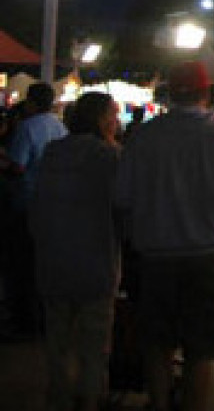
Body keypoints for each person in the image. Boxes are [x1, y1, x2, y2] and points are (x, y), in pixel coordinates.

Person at [114, 62, 214, 411]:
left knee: (156, 342)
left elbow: (122, 197)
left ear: (169, 93)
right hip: (207, 254)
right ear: (206, 93)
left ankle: (160, 402)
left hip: (156, 253)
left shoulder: (144, 136)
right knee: (201, 347)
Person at [31, 90, 121, 411]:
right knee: (94, 344)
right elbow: (122, 206)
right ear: (101, 119)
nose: (117, 122)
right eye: (113, 115)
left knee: (57, 341)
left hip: (53, 258)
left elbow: (37, 202)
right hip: (95, 261)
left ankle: (58, 397)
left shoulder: (53, 153)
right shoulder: (108, 157)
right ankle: (89, 399)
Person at [4, 82, 67, 337]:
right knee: (42, 265)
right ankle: (41, 319)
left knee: (21, 265)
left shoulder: (27, 127)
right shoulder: (59, 126)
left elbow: (18, 166)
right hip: (51, 205)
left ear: (31, 102)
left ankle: (24, 322)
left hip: (25, 203)